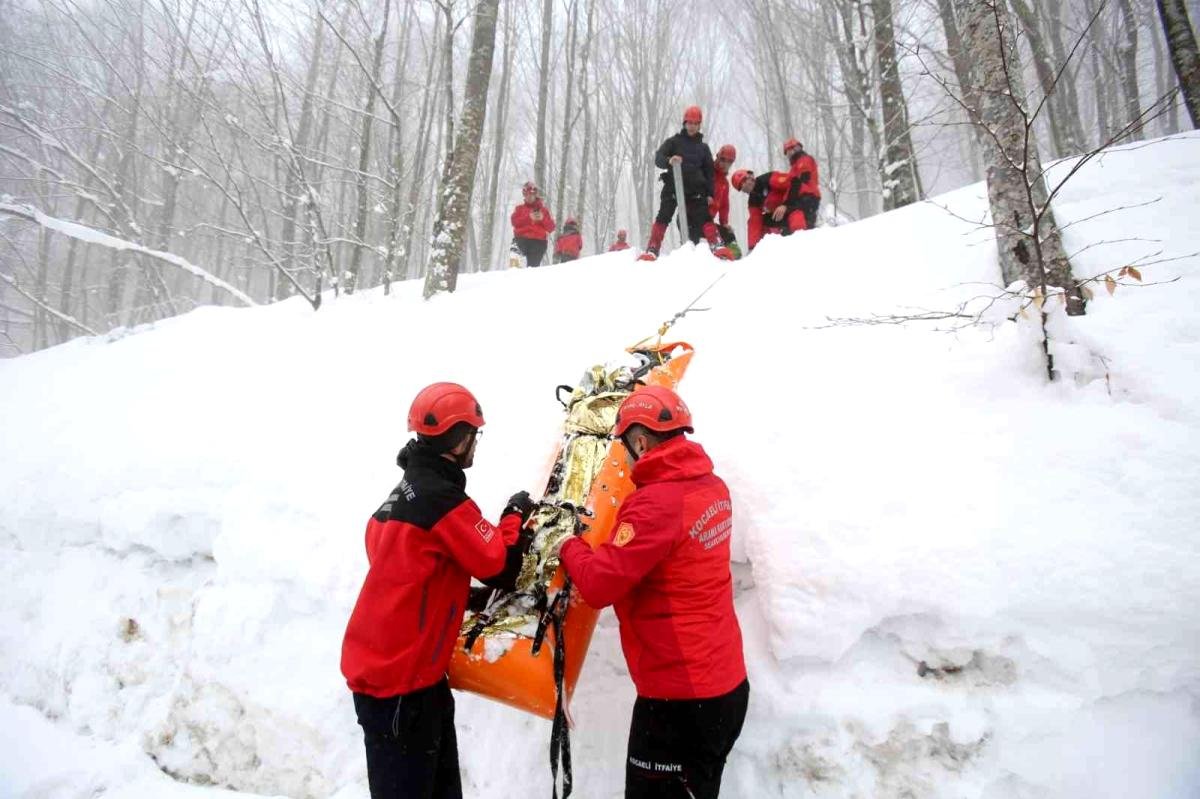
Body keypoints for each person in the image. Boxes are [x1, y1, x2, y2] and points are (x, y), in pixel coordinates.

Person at [341, 382, 535, 799]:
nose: (475, 445)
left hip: (410, 682)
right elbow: (500, 566)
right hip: (399, 688)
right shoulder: (441, 501)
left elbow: (396, 561)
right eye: (474, 436)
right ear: (458, 440)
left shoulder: (401, 496)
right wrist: (515, 517)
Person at [558, 385, 748, 799]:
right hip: (726, 686)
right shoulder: (711, 487)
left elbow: (598, 584)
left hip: (679, 701)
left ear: (641, 440)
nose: (623, 455)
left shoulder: (655, 505)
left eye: (625, 444)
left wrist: (566, 544)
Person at [639, 106, 732, 261]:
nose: (692, 126)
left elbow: (709, 173)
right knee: (663, 216)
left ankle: (717, 245)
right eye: (689, 122)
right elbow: (658, 158)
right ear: (684, 123)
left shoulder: (703, 148)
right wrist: (669, 160)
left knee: (705, 217)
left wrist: (709, 194)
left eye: (696, 123)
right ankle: (652, 248)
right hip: (673, 187)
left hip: (696, 190)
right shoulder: (673, 142)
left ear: (699, 125)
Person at [730, 167, 804, 252]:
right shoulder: (753, 200)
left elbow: (794, 182)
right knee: (761, 222)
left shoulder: (767, 179)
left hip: (797, 206)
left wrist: (786, 205)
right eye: (740, 186)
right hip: (782, 216)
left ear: (750, 178)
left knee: (796, 216)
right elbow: (754, 222)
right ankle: (763, 252)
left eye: (743, 181)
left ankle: (801, 244)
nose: (744, 186)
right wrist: (752, 248)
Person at [510, 181, 556, 267]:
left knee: (532, 268)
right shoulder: (519, 209)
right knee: (515, 251)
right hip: (521, 240)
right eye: (526, 195)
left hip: (538, 242)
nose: (529, 197)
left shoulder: (544, 210)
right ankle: (514, 267)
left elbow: (551, 227)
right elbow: (514, 222)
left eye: (531, 194)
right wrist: (528, 217)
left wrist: (543, 219)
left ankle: (530, 276)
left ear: (535, 195)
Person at [782, 138, 821, 230]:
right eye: (787, 152)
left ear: (796, 148)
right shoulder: (796, 164)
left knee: (803, 222)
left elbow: (804, 177)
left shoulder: (803, 159)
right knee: (807, 224)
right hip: (806, 197)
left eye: (790, 150)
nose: (789, 154)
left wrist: (789, 201)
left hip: (807, 196)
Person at [711, 144, 740, 256]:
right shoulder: (707, 172)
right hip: (695, 218)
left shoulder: (724, 183)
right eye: (722, 159)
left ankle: (734, 258)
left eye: (729, 161)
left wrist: (724, 223)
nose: (725, 164)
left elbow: (724, 206)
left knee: (728, 234)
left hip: (709, 222)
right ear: (717, 157)